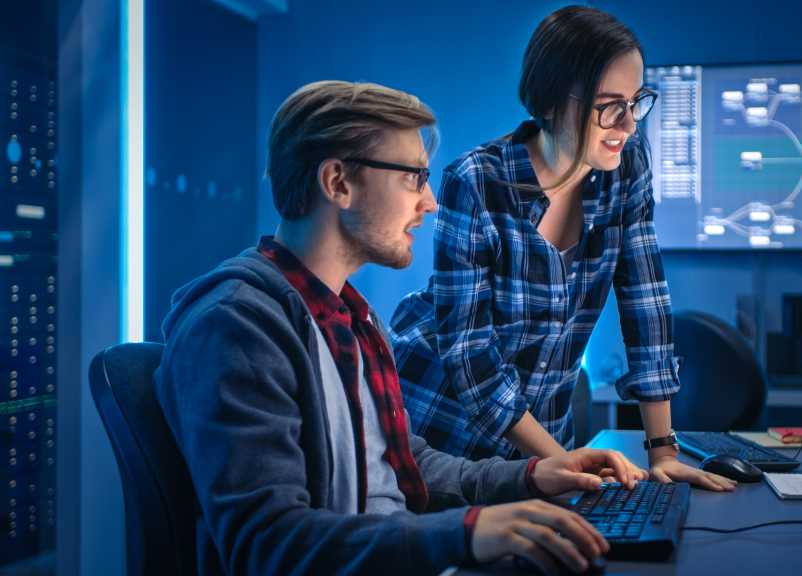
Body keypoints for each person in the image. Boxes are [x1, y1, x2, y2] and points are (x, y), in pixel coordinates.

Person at [155, 80, 644, 576]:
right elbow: (269, 542)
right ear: (338, 183)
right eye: (414, 177)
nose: (430, 202)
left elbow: (411, 467)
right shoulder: (238, 326)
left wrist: (534, 476)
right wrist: (466, 533)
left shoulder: (349, 317)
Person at [390, 5, 736, 491]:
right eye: (611, 106)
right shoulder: (477, 181)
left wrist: (663, 449)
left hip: (547, 439)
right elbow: (470, 356)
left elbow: (645, 297)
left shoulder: (626, 165)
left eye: (636, 102)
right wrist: (568, 466)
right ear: (552, 102)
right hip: (446, 426)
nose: (629, 124)